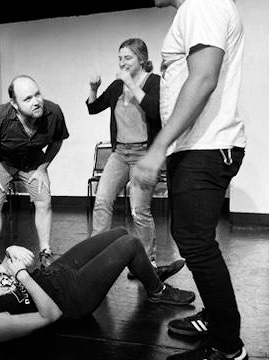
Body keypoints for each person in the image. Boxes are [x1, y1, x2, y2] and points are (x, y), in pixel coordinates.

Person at [134, 1, 247, 359]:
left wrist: (157, 148)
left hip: (206, 146)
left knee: (195, 241)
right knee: (191, 237)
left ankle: (229, 348)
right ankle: (215, 318)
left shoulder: (202, 3)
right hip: (199, 145)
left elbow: (203, 78)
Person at [0, 227, 196, 360]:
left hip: (54, 273)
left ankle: (148, 272)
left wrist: (12, 254)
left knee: (120, 232)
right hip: (70, 299)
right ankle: (157, 290)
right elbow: (51, 314)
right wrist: (20, 273)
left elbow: (6, 264)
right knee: (130, 244)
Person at [86, 38, 185, 281]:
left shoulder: (154, 82)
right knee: (101, 202)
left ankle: (146, 263)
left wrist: (131, 83)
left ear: (142, 59)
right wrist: (93, 88)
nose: (122, 62)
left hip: (143, 154)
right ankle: (95, 257)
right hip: (120, 154)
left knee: (139, 211)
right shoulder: (117, 85)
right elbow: (93, 107)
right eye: (119, 58)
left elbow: (154, 111)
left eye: (127, 58)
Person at [0, 75, 69, 269]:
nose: (36, 102)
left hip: (33, 161)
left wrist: (43, 168)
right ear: (14, 104)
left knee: (44, 199)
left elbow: (57, 140)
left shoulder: (53, 112)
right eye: (27, 99)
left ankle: (45, 252)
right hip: (2, 160)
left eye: (37, 95)